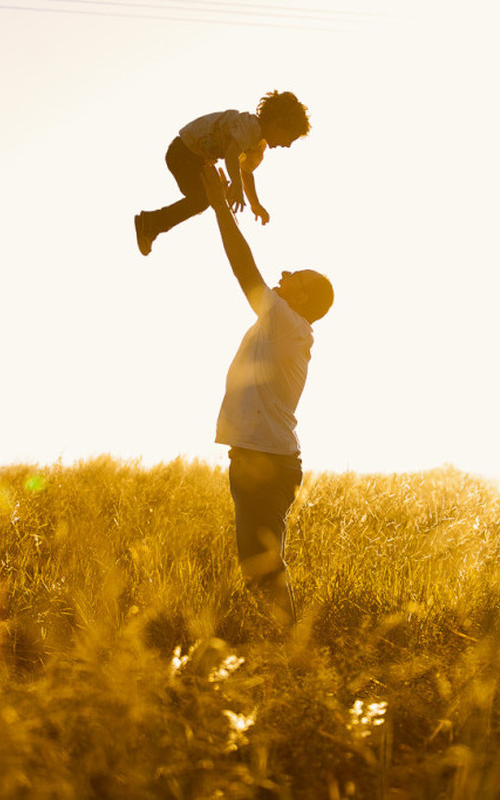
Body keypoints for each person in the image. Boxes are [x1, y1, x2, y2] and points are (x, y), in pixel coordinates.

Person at [197, 164, 333, 631]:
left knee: (263, 564)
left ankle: (286, 653)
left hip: (266, 460)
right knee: (258, 562)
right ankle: (275, 647)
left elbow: (244, 267)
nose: (286, 272)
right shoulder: (281, 325)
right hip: (260, 456)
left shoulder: (288, 324)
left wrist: (219, 204)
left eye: (297, 275)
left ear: (305, 299)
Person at [134, 91, 311, 256]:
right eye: (290, 138)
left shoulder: (257, 145)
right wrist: (236, 184)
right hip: (184, 152)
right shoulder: (250, 126)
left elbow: (246, 172)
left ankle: (151, 223)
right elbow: (231, 155)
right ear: (277, 123)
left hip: (195, 158)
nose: (288, 145)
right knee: (202, 200)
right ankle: (151, 223)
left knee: (212, 196)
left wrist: (255, 203)